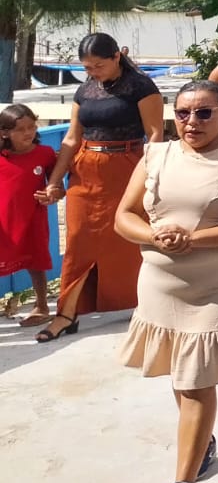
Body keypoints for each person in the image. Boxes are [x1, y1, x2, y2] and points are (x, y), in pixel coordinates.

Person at [113, 79, 218, 483]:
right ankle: (201, 442)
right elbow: (124, 216)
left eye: (203, 113)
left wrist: (192, 239)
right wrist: (156, 235)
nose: (191, 121)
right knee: (181, 374)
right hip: (161, 283)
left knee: (196, 379)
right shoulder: (156, 155)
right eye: (182, 113)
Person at [35, 33, 165, 342]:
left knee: (129, 238)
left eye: (98, 65)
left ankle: (146, 303)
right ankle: (66, 314)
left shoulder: (141, 86)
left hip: (127, 166)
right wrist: (54, 181)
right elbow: (71, 138)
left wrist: (150, 177)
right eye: (87, 67)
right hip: (85, 169)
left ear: (116, 57)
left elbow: (155, 135)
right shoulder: (85, 89)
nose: (92, 72)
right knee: (78, 240)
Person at [2, 105, 55, 326]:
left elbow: (56, 186)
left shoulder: (45, 154)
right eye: (20, 129)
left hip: (32, 219)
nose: (28, 133)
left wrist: (52, 194)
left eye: (31, 127)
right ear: (4, 133)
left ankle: (41, 306)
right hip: (3, 222)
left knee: (36, 261)